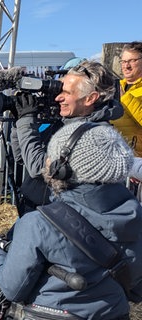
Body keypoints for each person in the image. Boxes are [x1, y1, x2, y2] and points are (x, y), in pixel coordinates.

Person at [0, 121, 142, 319]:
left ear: (61, 168)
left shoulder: (37, 224)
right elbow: (136, 291)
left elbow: (13, 289)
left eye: (50, 155)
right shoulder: (136, 219)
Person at [9, 60, 123, 216]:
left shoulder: (96, 136)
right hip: (35, 207)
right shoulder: (66, 121)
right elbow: (22, 157)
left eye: (67, 93)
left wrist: (26, 120)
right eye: (59, 91)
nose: (58, 98)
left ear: (90, 98)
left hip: (58, 218)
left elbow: (38, 168)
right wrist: (20, 121)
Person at [110, 41, 142, 199]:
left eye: (132, 61)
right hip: (116, 162)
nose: (126, 66)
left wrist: (125, 98)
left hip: (138, 164)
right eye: (123, 61)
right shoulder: (116, 87)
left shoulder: (122, 92)